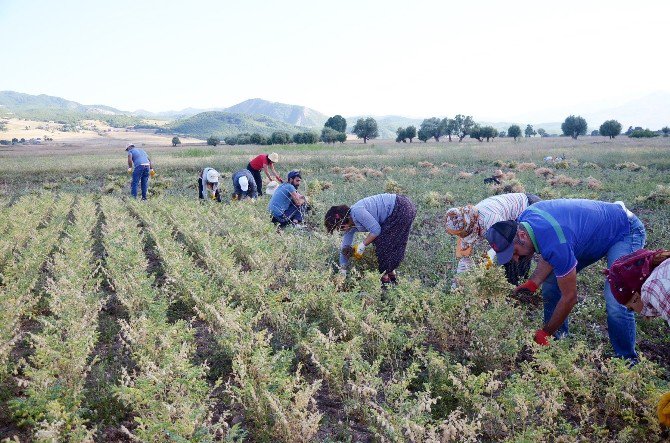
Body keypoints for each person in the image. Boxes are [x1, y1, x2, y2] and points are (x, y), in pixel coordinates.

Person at [485, 199, 645, 361]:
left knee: (616, 297)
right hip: (584, 237)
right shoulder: (526, 220)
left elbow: (570, 297)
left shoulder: (556, 242)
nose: (517, 259)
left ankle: (627, 360)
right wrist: (533, 282)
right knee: (551, 284)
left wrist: (545, 332)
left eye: (514, 252)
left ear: (521, 235)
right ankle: (557, 340)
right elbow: (549, 247)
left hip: (625, 230)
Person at [445, 192, 541, 287]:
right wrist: (458, 284)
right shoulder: (462, 226)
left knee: (517, 253)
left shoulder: (491, 220)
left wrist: (483, 271)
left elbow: (503, 248)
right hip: (511, 217)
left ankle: (519, 288)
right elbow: (465, 258)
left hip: (529, 206)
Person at [325, 193, 417, 286]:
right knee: (387, 243)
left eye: (340, 227)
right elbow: (344, 248)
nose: (341, 230)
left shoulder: (357, 212)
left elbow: (376, 230)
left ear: (343, 219)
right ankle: (392, 277)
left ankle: (385, 282)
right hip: (402, 208)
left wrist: (362, 245)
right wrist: (343, 270)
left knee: (383, 243)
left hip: (401, 207)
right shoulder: (350, 226)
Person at [606, 248, 670, 325]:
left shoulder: (652, 287)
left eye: (631, 309)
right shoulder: (663, 269)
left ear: (636, 297)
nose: (639, 313)